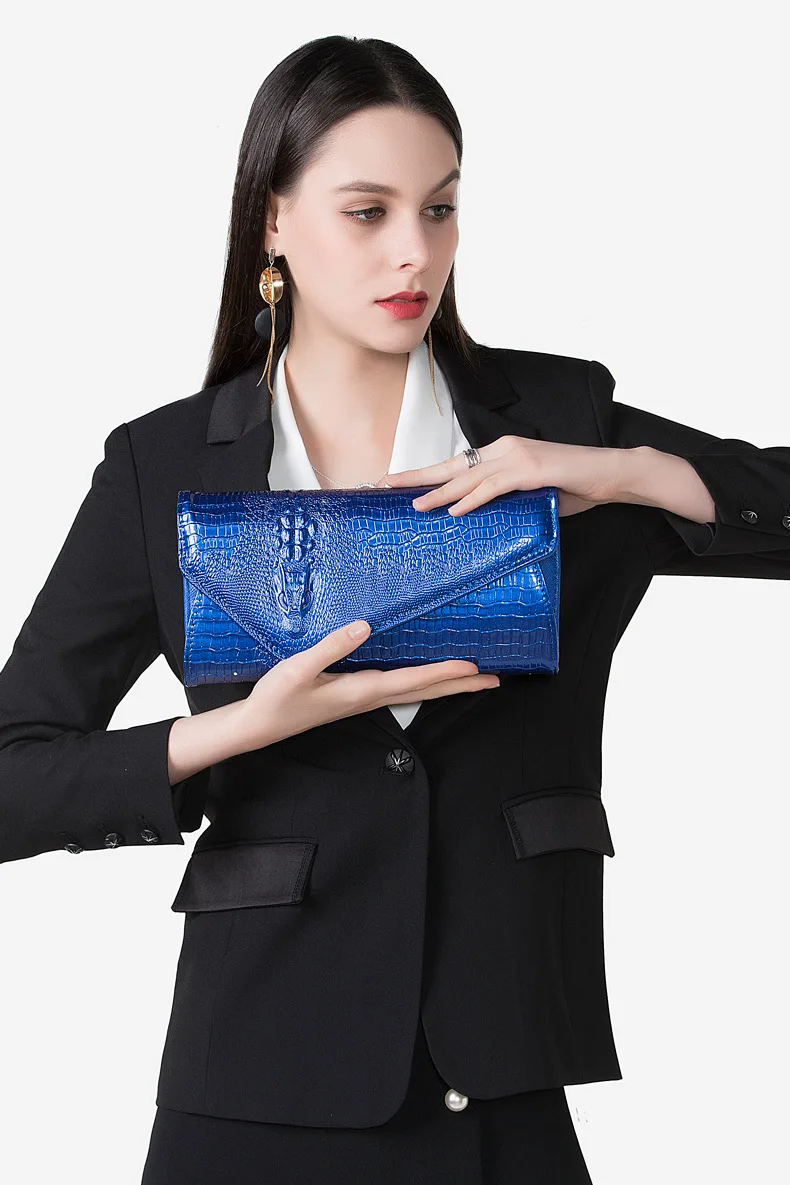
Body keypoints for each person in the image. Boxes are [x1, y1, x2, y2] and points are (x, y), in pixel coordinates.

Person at [1, 33, 788, 1185]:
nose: (415, 251)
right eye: (367, 212)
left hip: (503, 1072)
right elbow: (14, 775)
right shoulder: (162, 465)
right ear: (273, 220)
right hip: (256, 1078)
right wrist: (238, 730)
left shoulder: (553, 420)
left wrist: (622, 472)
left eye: (441, 208)